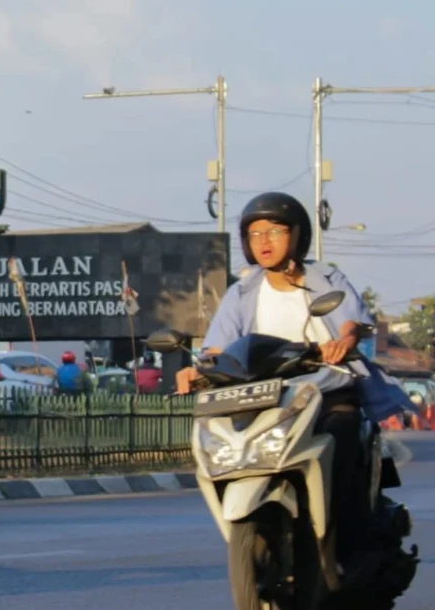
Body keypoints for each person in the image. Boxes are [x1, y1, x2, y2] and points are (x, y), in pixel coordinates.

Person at [175, 192, 413, 571]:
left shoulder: (327, 279)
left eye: (274, 231)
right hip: (268, 397)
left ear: (298, 236)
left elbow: (353, 320)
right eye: (254, 234)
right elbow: (217, 348)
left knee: (343, 432)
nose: (264, 241)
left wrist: (344, 342)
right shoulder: (241, 293)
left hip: (328, 389)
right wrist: (197, 368)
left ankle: (350, 546)